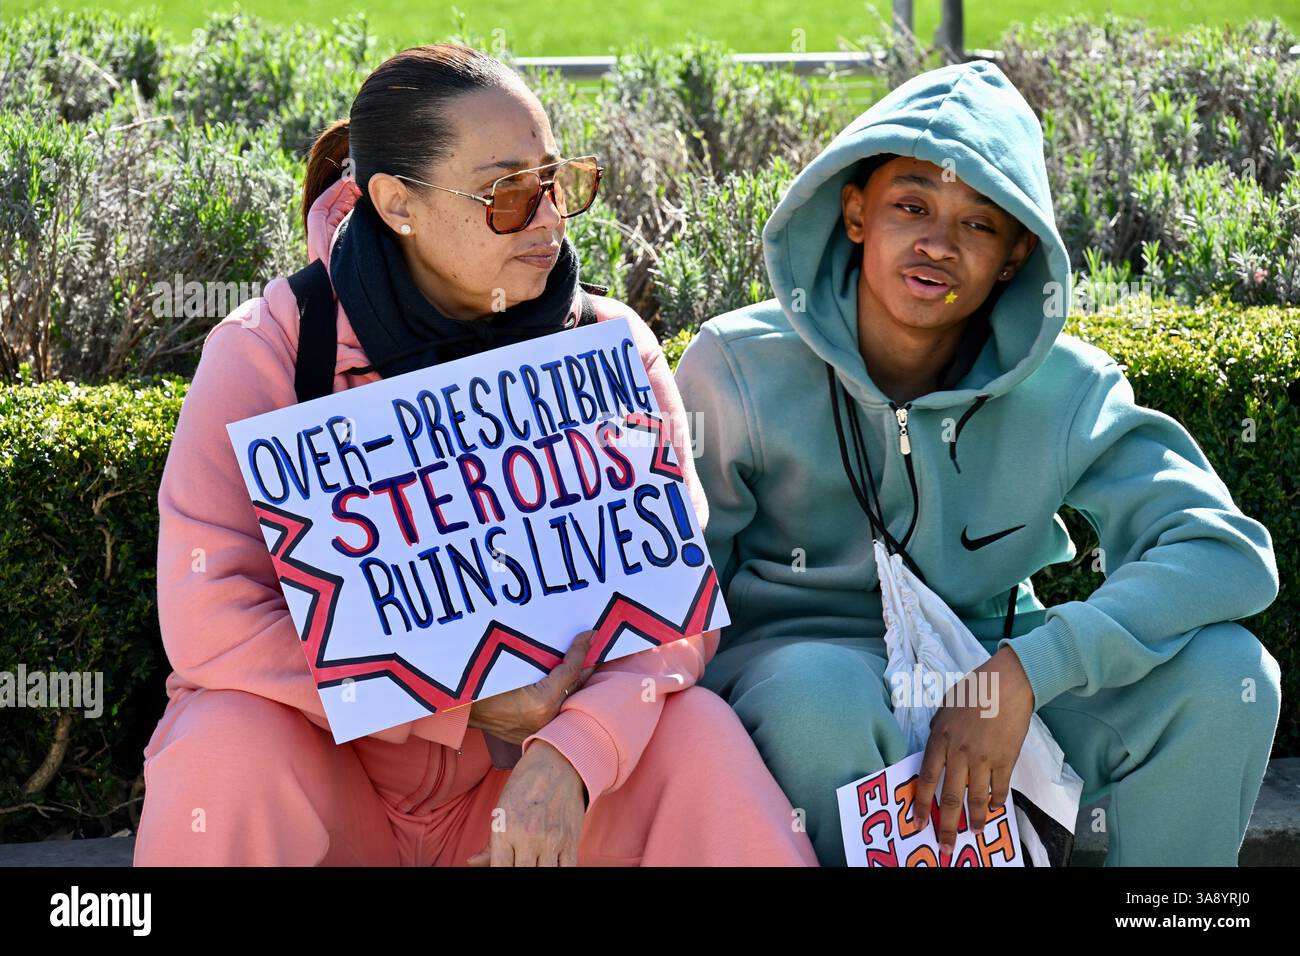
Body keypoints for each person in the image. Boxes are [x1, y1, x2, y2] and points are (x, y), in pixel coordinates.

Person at [133, 43, 817, 867]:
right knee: (222, 741)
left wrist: (573, 753)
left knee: (696, 735)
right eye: (508, 194)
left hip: (534, 798)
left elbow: (671, 613)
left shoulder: (609, 345)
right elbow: (213, 620)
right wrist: (450, 701)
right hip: (337, 785)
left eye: (559, 180)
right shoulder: (267, 350)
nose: (551, 217)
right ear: (396, 202)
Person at [673, 59, 1282, 866]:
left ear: (1015, 255)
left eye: (979, 224)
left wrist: (1029, 671)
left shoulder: (1066, 386)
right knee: (818, 697)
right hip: (804, 680)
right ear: (855, 211)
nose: (938, 244)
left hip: (992, 675)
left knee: (1227, 672)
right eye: (911, 205)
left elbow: (1225, 553)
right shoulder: (738, 364)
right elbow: (673, 591)